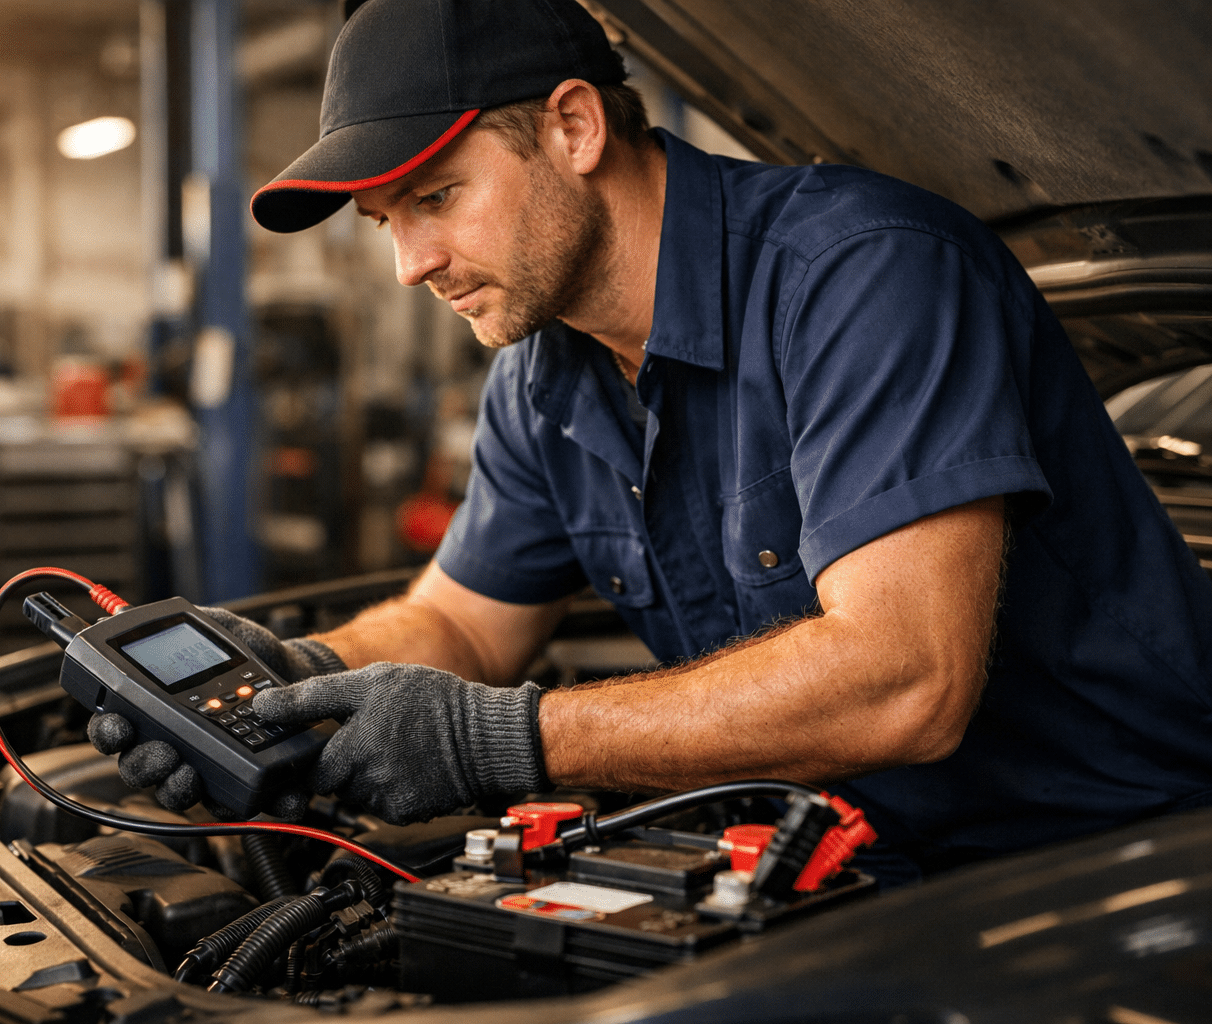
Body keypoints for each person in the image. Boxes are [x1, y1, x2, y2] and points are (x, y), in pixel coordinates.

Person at [94, 0, 1212, 883]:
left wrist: (502, 743)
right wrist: (304, 682)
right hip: (844, 861)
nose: (411, 265)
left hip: (1117, 863)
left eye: (437, 195)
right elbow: (459, 624)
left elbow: (904, 678)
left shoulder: (865, 275)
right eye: (390, 223)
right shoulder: (544, 377)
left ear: (575, 127)